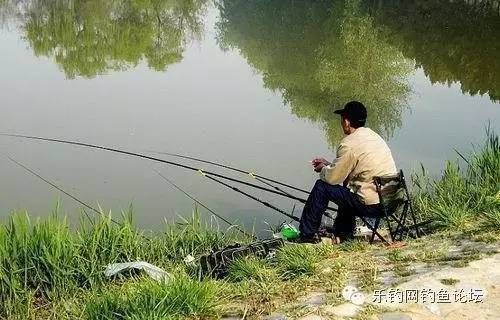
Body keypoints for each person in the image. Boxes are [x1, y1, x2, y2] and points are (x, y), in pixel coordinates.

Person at [299, 101, 397, 243]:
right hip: (391, 201)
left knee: (322, 187)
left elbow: (333, 179)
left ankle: (306, 235)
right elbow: (357, 167)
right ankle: (343, 232)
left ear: (346, 121)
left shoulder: (349, 144)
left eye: (341, 119)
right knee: (348, 191)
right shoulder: (374, 136)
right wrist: (330, 165)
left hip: (372, 206)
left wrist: (323, 169)